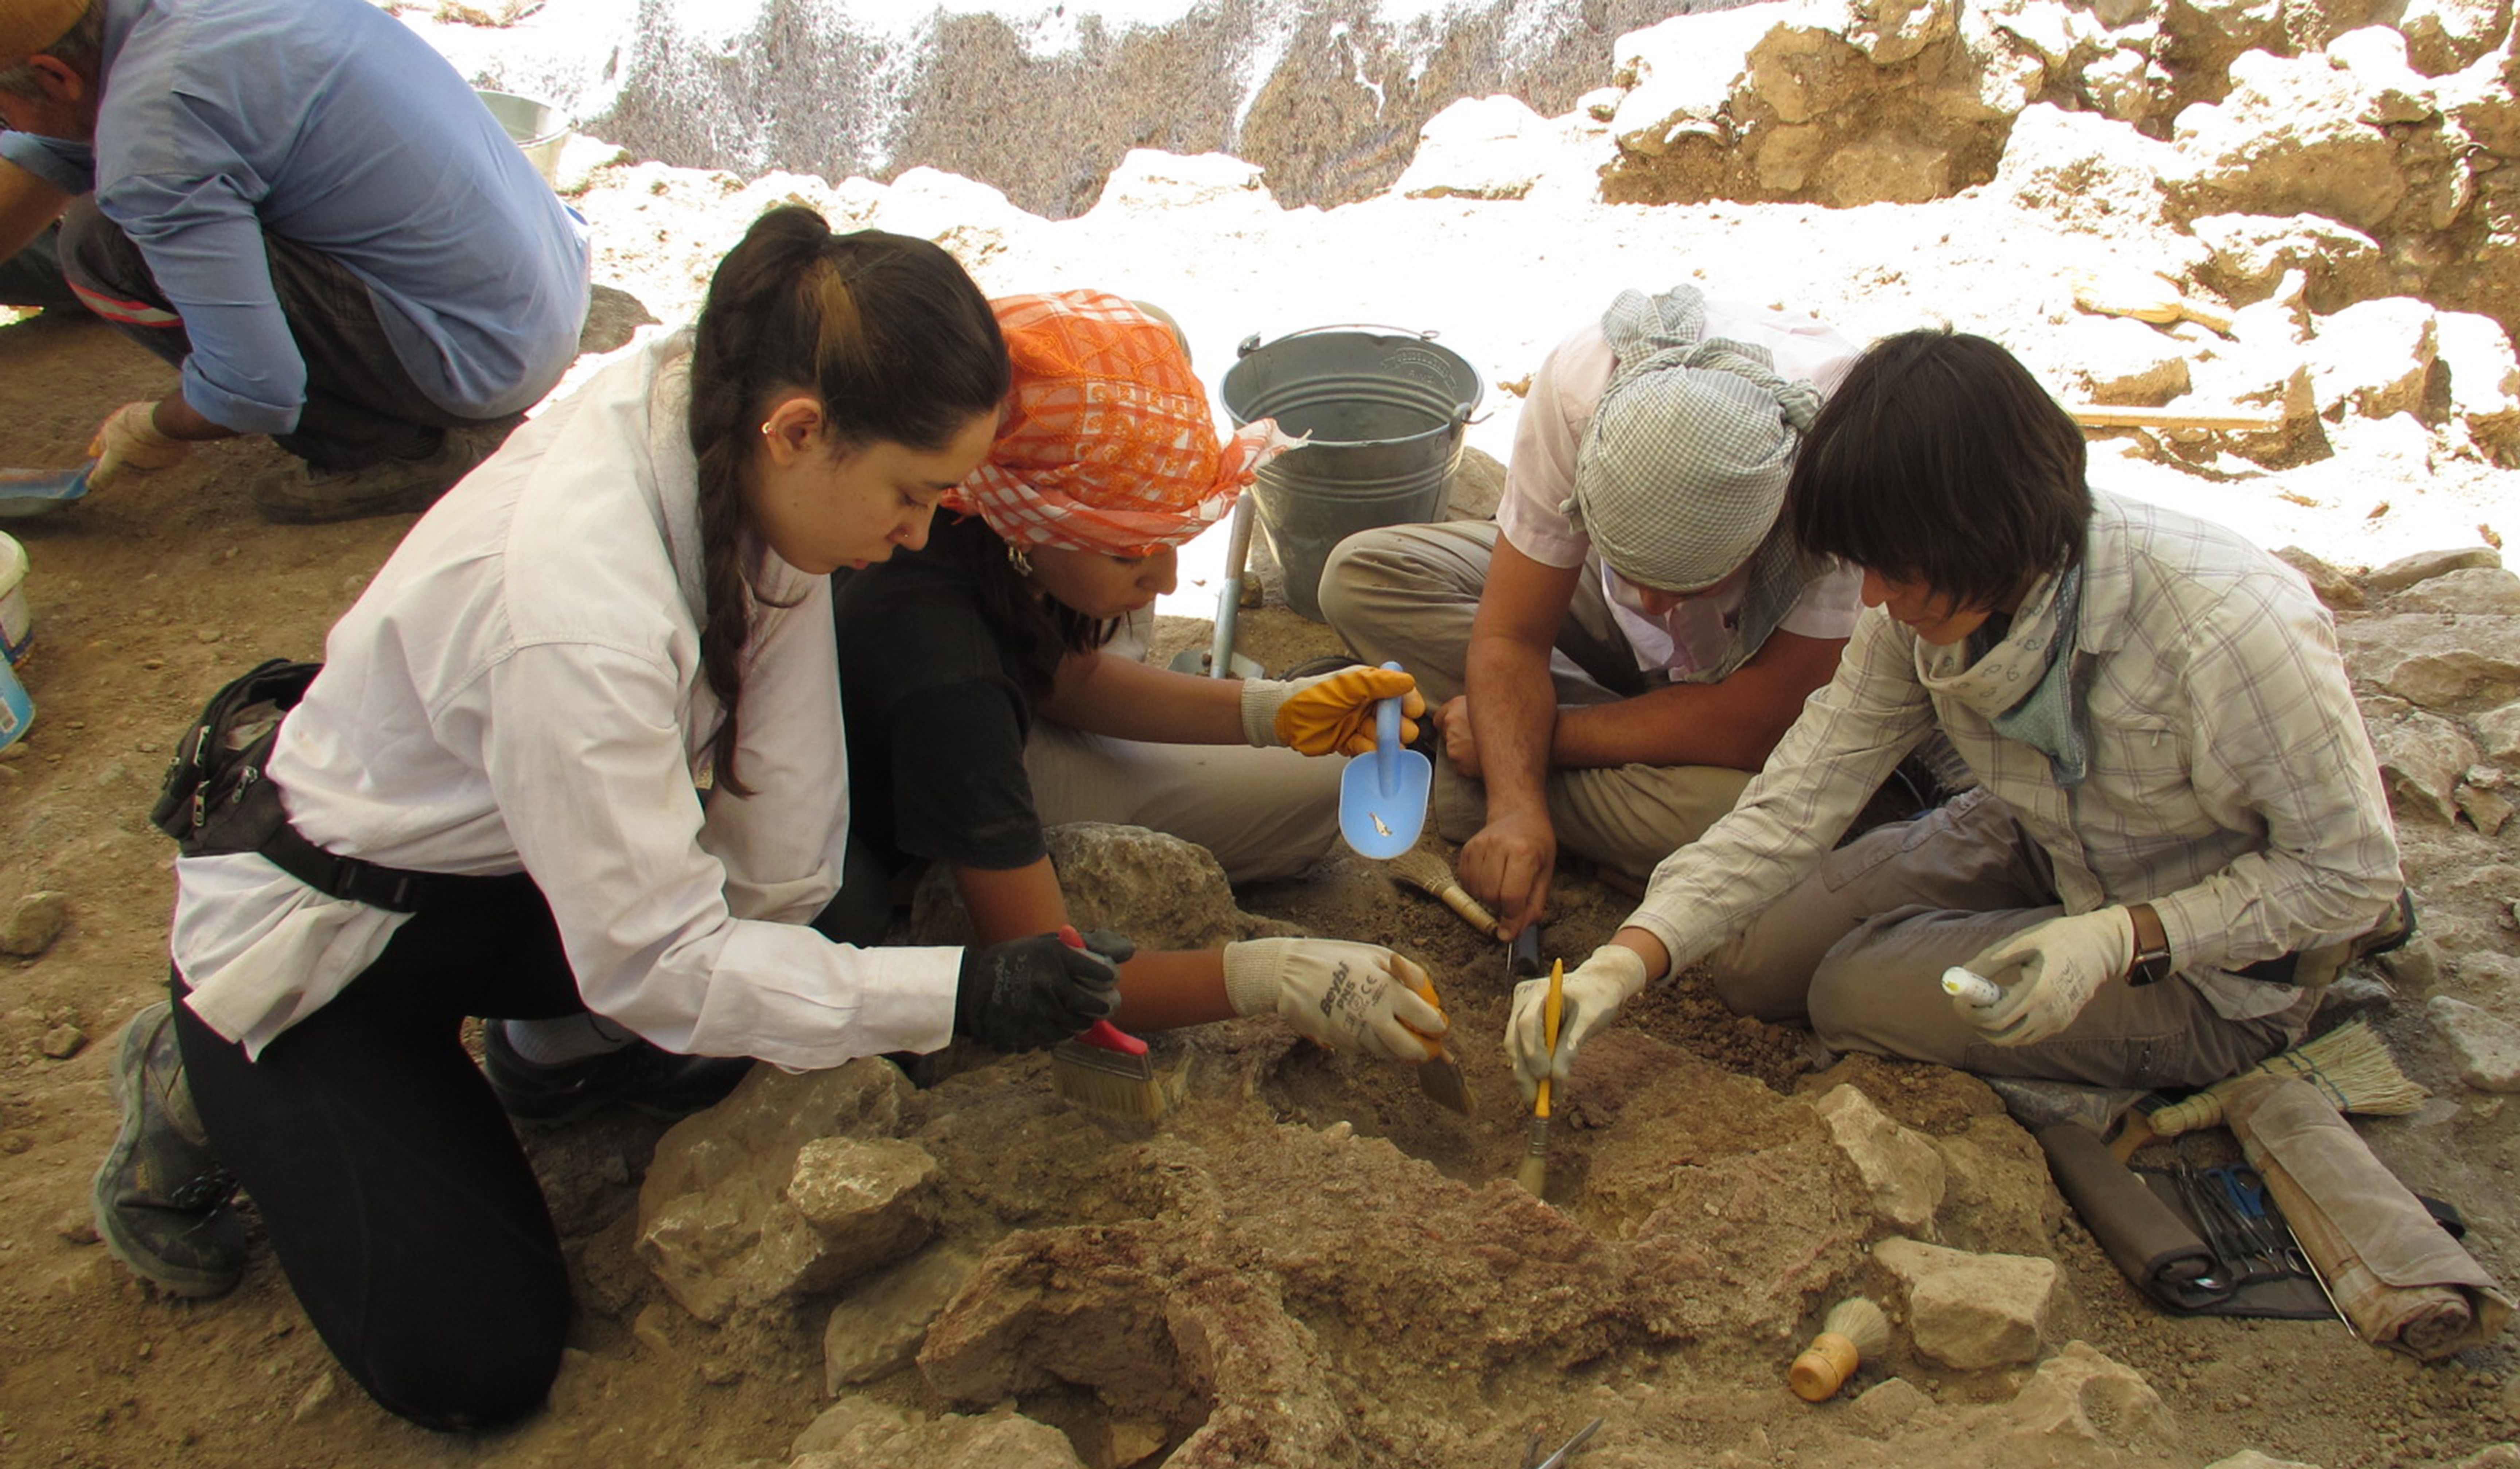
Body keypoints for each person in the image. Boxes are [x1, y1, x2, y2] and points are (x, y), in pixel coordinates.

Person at [88, 207, 1126, 1434]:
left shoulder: (730, 412)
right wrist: (957, 993)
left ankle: (546, 1045)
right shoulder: (578, 618)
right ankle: (196, 1071)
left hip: (509, 858)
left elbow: (781, 843)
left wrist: (843, 972)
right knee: (477, 1362)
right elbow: (664, 963)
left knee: (831, 924)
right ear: (803, 433)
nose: (921, 533)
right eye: (914, 494)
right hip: (338, 941)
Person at [1504, 328, 2405, 1100]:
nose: (1883, 601)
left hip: (2218, 963)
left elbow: (2353, 879)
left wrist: (2122, 940)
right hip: (2040, 833)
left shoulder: (2231, 628)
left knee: (1851, 996)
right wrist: (1624, 962)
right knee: (1746, 960)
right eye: (1869, 568)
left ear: (1990, 532)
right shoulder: (1917, 607)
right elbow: (1798, 799)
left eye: (1900, 571)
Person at [830, 288, 1450, 1063]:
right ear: (1037, 530)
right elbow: (1042, 972)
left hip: (1003, 711)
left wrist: (1275, 710)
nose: (1165, 579)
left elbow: (1072, 681)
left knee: (1158, 328)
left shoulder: (991, 511)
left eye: (1172, 536)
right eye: (1130, 548)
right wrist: (1270, 973)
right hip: (943, 799)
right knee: (1331, 789)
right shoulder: (948, 672)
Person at [1318, 285, 1858, 941]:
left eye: (1689, 585)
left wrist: (1533, 741)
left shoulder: (1844, 460)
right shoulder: (1581, 392)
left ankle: (1470, 762)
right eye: (1637, 571)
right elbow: (1512, 635)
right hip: (1617, 639)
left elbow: (1763, 723)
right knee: (1364, 577)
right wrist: (1517, 809)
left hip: (1753, 702)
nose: (1656, 606)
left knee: (1784, 821)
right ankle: (1567, 768)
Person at [0, 0, 591, 523]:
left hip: (484, 356)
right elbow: (47, 150)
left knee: (102, 245)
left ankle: (385, 452)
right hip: (549, 281)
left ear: (53, 75)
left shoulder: (155, 126)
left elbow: (255, 389)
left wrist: (155, 425)